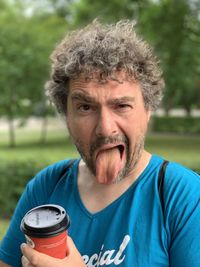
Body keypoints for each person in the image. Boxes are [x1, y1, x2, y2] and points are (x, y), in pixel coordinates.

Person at [0, 20, 200, 267]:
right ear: (67, 116)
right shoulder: (47, 187)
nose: (106, 128)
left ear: (148, 110)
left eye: (122, 105)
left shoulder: (183, 196)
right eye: (85, 107)